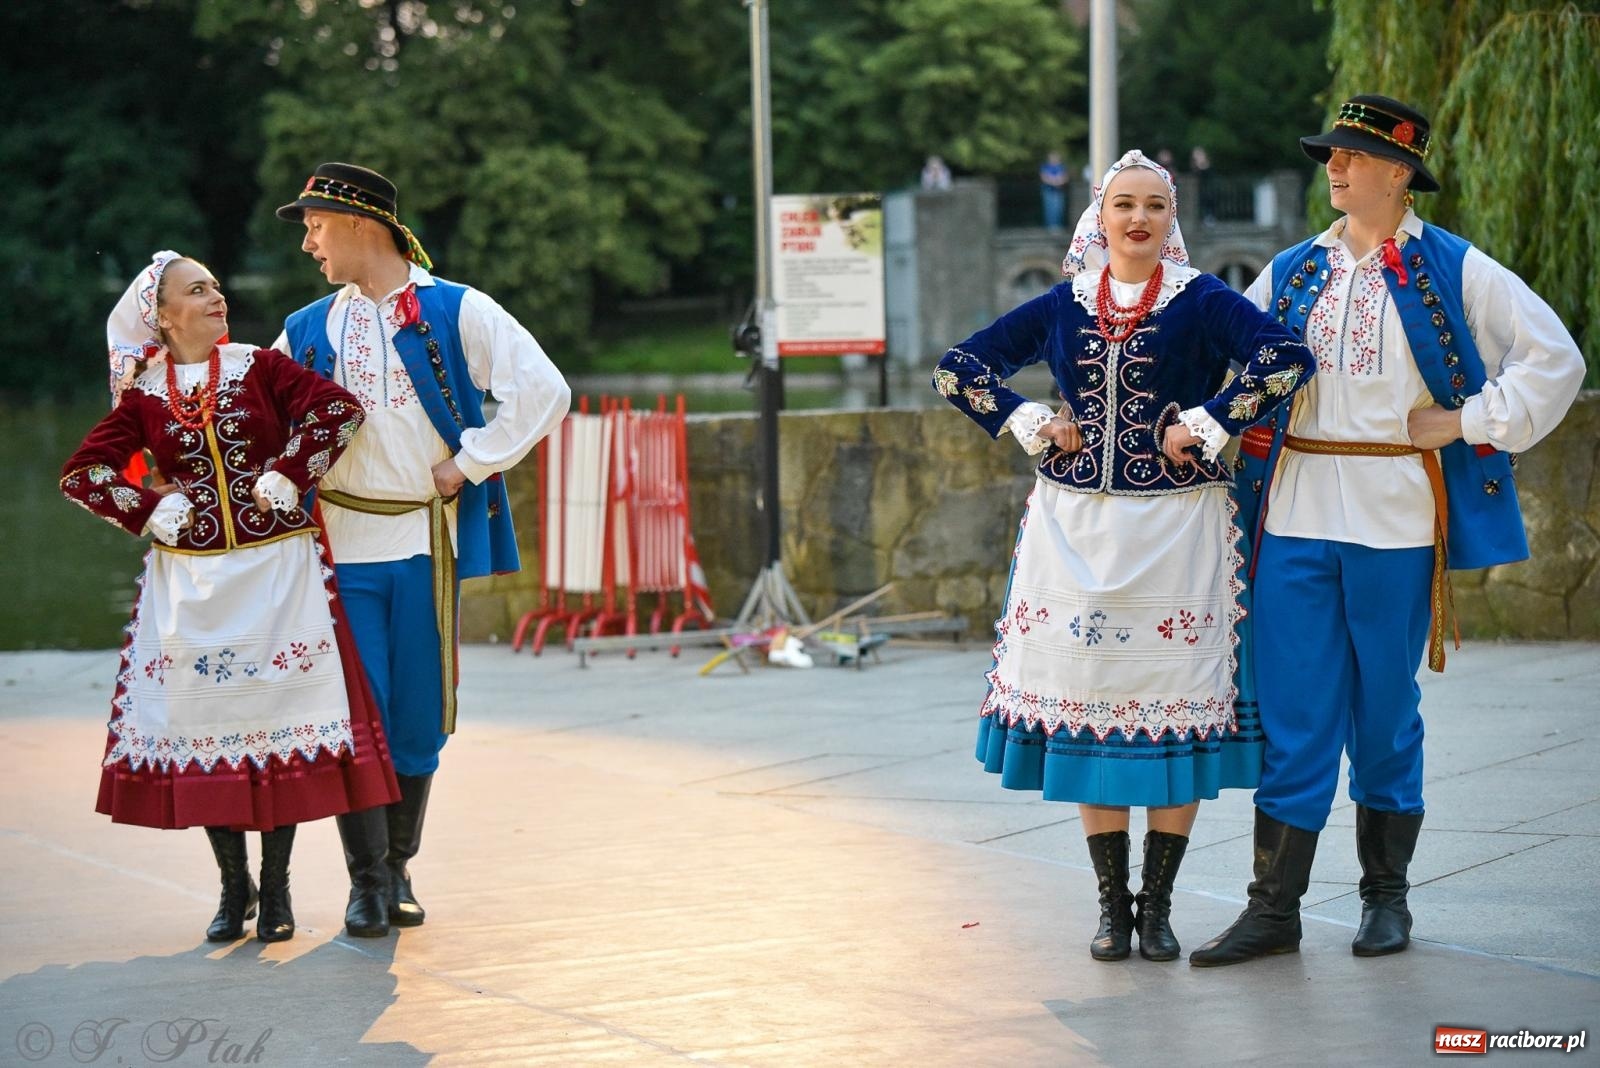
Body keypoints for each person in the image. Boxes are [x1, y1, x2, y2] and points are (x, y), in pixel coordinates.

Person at [1189, 96, 1585, 967]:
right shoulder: (1294, 269)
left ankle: (1385, 898)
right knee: (1294, 713)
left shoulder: (1455, 267)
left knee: (1384, 712)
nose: (1332, 166)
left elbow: (1556, 360)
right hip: (1292, 517)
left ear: (1398, 172)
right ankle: (1273, 909)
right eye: (1329, 153)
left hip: (1397, 518)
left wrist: (1471, 419)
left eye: (1351, 155)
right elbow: (1225, 359)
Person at [933, 150, 1314, 962]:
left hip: (1179, 533)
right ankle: (1113, 907)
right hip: (1073, 533)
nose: (1138, 219)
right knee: (1089, 712)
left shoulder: (1202, 300)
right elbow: (958, 369)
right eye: (1123, 205)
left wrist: (1209, 420)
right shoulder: (1063, 303)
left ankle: (1160, 907)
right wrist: (1028, 417)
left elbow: (1286, 360)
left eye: (1153, 206)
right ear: (1098, 219)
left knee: (1172, 710)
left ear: (1170, 219)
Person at [60, 251, 400, 944]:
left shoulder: (259, 365)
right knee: (211, 729)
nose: (217, 297)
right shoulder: (145, 395)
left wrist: (291, 470)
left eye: (217, 285)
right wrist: (145, 507)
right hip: (192, 588)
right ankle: (231, 887)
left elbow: (338, 410)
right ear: (162, 316)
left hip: (279, 577)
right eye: (199, 289)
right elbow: (81, 474)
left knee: (275, 726)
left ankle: (275, 893)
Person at [273, 163, 571, 937]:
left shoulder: (457, 310)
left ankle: (398, 869)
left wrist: (469, 463)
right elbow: (253, 427)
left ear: (361, 223)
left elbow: (546, 392)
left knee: (417, 715)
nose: (307, 242)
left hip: (422, 543)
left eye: (315, 224)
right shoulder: (307, 329)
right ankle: (365, 883)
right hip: (337, 549)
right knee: (352, 714)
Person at [1039, 151, 1067, 230]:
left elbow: (1064, 177)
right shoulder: (1045, 167)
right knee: (1049, 209)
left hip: (1058, 191)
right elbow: (1044, 177)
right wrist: (1055, 182)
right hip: (1048, 191)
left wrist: (1056, 181)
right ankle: (1050, 226)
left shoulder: (1061, 167)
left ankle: (1057, 226)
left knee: (1058, 209)